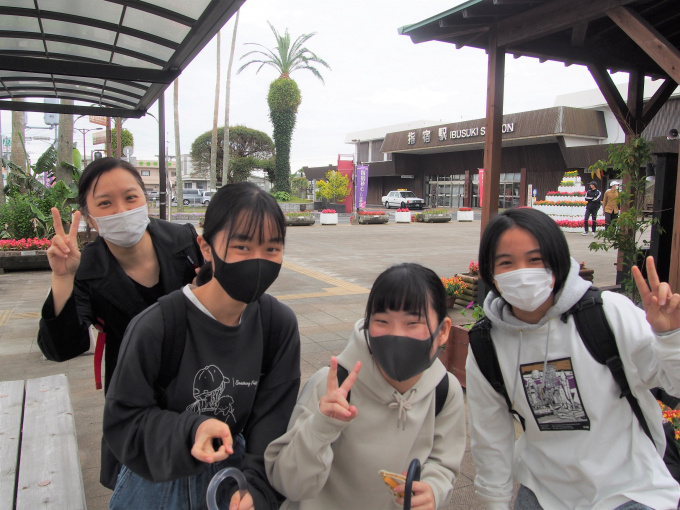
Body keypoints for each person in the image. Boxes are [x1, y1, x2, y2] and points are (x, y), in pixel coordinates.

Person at [103, 181, 301, 510]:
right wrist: (191, 430)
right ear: (206, 248)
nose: (258, 261)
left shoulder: (277, 324)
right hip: (158, 483)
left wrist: (257, 488)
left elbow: (273, 421)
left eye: (271, 249)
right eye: (242, 246)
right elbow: (124, 420)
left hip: (232, 478)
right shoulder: (157, 325)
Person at [467, 207, 680, 510]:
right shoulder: (486, 343)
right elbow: (490, 436)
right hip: (543, 495)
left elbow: (674, 384)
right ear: (490, 272)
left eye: (535, 260)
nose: (522, 272)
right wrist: (496, 503)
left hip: (629, 492)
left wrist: (670, 338)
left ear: (557, 261)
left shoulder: (607, 313)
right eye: (506, 263)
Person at [37, 157, 204, 488]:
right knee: (141, 487)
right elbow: (63, 347)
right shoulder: (86, 267)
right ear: (89, 217)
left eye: (130, 197)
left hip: (198, 385)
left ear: (145, 199)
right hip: (133, 397)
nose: (122, 210)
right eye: (105, 203)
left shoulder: (184, 241)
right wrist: (63, 278)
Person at [265, 262, 466, 510]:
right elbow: (289, 484)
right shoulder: (332, 388)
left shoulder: (444, 391)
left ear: (443, 330)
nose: (396, 335)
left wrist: (433, 489)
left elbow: (443, 462)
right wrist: (320, 426)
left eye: (412, 323)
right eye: (382, 321)